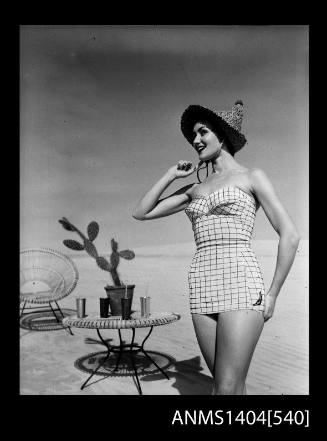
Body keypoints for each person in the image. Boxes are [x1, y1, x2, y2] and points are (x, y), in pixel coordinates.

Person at [132, 100, 300, 395]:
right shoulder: (195, 188)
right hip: (201, 285)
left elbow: (290, 234)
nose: (195, 140)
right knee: (230, 386)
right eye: (193, 136)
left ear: (221, 135)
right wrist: (172, 175)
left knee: (225, 388)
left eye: (202, 132)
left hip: (241, 283)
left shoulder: (251, 177)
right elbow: (142, 212)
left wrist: (273, 293)